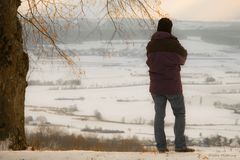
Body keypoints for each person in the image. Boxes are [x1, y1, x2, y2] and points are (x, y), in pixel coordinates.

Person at [146, 18, 194, 153]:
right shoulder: (174, 44)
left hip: (156, 87)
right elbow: (183, 58)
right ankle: (180, 146)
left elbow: (150, 61)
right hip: (173, 86)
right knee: (179, 113)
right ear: (170, 29)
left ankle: (161, 147)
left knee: (159, 116)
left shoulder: (150, 45)